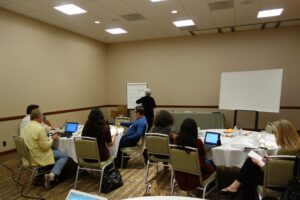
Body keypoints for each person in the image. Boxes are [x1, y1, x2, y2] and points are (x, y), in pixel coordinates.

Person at [221, 119, 300, 200]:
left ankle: (234, 187)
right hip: (290, 179)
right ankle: (234, 187)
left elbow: (274, 173)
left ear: (283, 135)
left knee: (249, 174)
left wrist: (259, 162)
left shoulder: (285, 150)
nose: (275, 136)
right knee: (250, 164)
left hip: (281, 183)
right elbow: (283, 167)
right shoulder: (296, 146)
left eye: (276, 134)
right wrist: (271, 161)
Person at [20, 108, 69, 189]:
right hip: (39, 156)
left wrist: (49, 139)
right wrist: (52, 138)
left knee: (57, 151)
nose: (43, 118)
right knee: (64, 156)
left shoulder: (26, 127)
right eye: (42, 116)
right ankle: (51, 176)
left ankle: (45, 173)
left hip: (29, 155)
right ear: (38, 117)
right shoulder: (40, 129)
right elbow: (45, 147)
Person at [174, 118, 216, 191]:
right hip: (196, 175)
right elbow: (203, 155)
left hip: (181, 173)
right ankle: (212, 185)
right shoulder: (197, 142)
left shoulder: (177, 140)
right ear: (194, 130)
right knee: (213, 162)